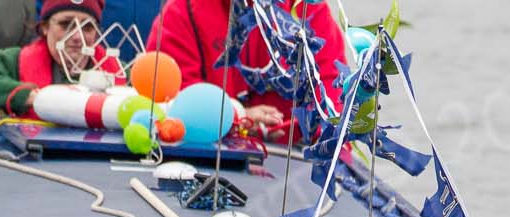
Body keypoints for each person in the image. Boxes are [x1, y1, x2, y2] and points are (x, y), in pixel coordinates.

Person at [142, 0, 352, 138]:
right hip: (208, 164)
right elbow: (168, 104)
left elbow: (334, 103)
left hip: (295, 168)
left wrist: (288, 129)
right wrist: (238, 118)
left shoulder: (310, 10)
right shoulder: (180, 13)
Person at [0, 0, 120, 121]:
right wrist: (36, 98)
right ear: (45, 27)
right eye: (65, 24)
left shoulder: (120, 71)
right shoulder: (13, 61)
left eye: (87, 27)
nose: (77, 36)